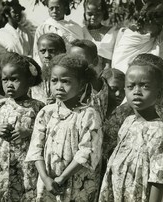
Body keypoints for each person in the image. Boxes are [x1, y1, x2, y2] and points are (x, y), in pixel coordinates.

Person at [25, 54, 103, 201]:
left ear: (81, 84)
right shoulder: (46, 112)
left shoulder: (88, 114)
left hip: (77, 182)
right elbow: (36, 148)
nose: (59, 86)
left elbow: (87, 151)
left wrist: (63, 177)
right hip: (48, 183)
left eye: (66, 81)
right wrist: (45, 178)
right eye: (54, 81)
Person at [99, 53, 163, 202]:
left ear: (159, 93)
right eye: (130, 86)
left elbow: (158, 179)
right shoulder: (128, 122)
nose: (137, 92)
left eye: (145, 86)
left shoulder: (160, 130)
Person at [0, 53, 45, 201]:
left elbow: (47, 135)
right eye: (5, 80)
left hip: (25, 168)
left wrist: (29, 132)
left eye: (14, 79)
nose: (9, 84)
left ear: (29, 80)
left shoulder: (39, 108)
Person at [111, 2, 163, 76]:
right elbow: (121, 68)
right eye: (158, 25)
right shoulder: (130, 38)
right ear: (147, 22)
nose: (161, 28)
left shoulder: (160, 38)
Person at [31, 33, 66, 104]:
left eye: (52, 51)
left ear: (63, 51)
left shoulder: (68, 75)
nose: (47, 55)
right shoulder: (34, 75)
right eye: (42, 51)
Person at [83, 0, 118, 69]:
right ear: (84, 13)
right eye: (90, 14)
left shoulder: (113, 32)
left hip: (108, 73)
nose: (93, 17)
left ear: (103, 14)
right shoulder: (81, 32)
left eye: (97, 14)